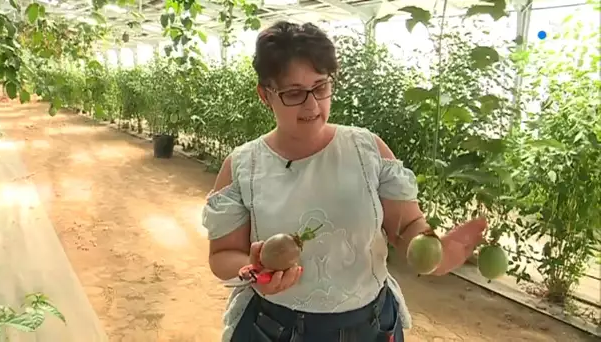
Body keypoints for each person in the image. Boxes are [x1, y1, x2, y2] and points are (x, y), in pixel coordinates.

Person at [202, 21, 487, 342]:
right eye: (294, 93)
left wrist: (434, 253)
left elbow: (407, 227)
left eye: (321, 87)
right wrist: (252, 272)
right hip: (275, 328)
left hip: (370, 326)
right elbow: (223, 254)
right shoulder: (243, 165)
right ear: (265, 95)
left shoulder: (367, 150)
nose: (312, 105)